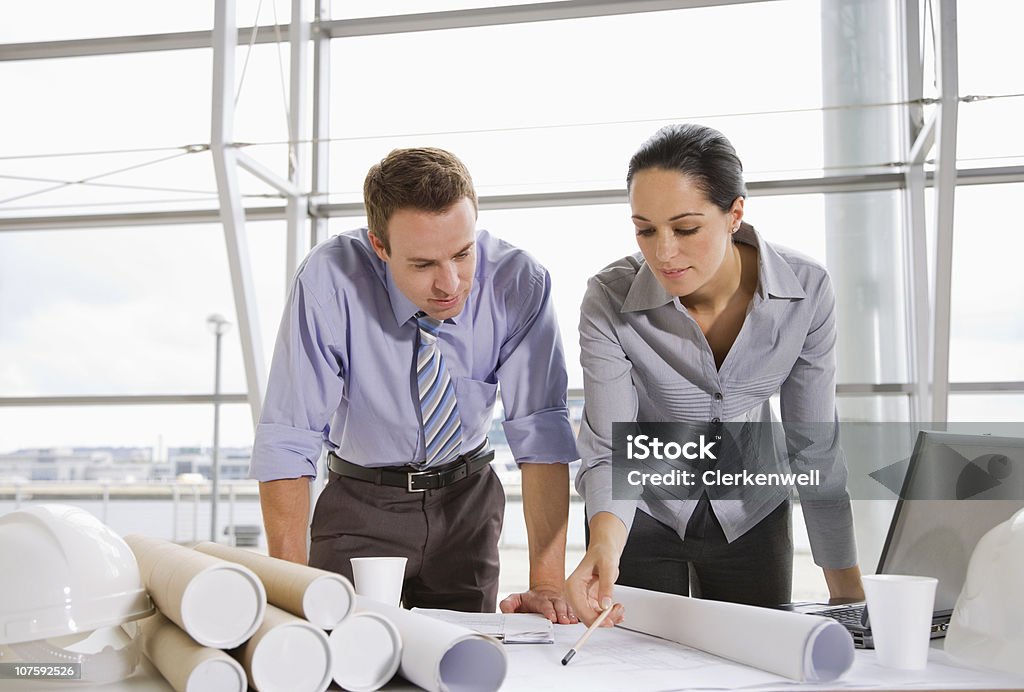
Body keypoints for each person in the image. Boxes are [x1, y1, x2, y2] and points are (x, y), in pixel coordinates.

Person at [251, 147, 579, 621]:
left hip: (468, 502)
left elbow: (541, 437)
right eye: (423, 264)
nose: (450, 283)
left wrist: (546, 582)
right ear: (380, 246)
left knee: (460, 662)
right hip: (362, 502)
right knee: (337, 649)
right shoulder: (329, 281)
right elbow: (288, 439)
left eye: (462, 254)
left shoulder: (519, 282)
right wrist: (288, 589)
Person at [566, 124, 865, 627]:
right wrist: (603, 547)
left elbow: (813, 446)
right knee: (639, 668)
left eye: (685, 229)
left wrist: (848, 592)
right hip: (640, 513)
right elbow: (611, 449)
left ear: (734, 215)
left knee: (756, 667)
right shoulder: (609, 300)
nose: (662, 253)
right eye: (645, 230)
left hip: (752, 510)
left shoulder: (806, 290)